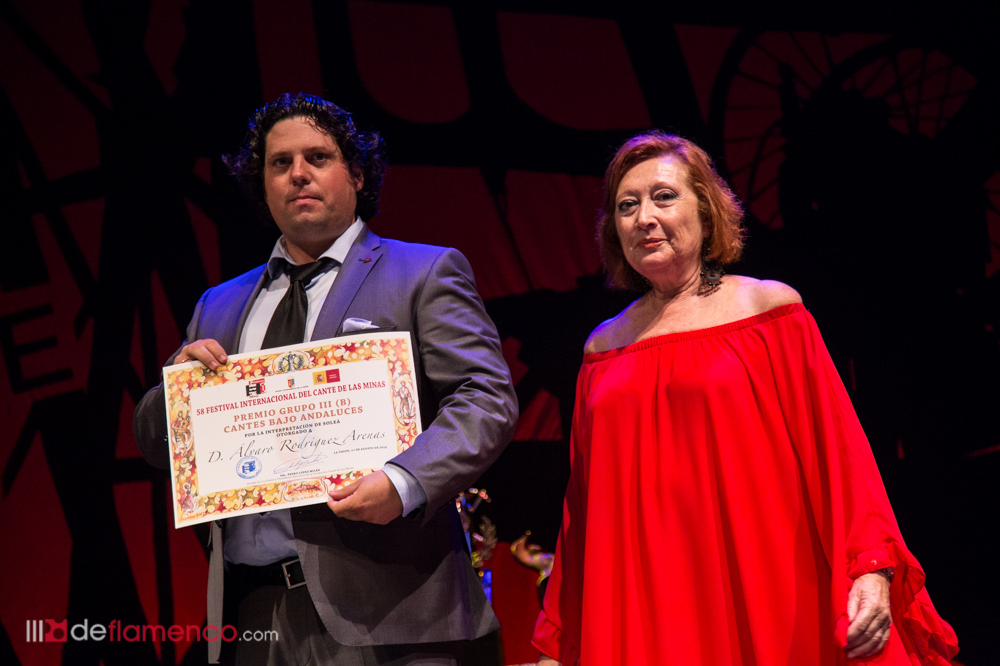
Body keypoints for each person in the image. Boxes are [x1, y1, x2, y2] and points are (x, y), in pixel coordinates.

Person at [532, 132, 958, 665]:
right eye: (627, 205)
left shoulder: (768, 311)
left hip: (765, 580)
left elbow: (837, 454)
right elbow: (582, 511)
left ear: (705, 211)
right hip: (651, 599)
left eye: (663, 197)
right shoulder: (603, 348)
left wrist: (871, 569)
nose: (644, 217)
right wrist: (561, 639)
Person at [133, 93, 517, 665]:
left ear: (356, 174)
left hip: (392, 608)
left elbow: (485, 399)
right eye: (279, 163)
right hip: (254, 616)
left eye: (318, 157)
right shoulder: (219, 303)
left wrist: (403, 482)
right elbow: (156, 443)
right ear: (263, 184)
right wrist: (175, 393)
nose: (298, 174)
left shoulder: (422, 272)